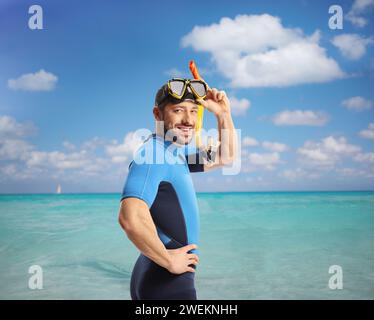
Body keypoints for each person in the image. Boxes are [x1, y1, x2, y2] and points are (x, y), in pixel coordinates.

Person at [118, 78, 237, 300]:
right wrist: (169, 260)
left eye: (194, 111)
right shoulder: (152, 156)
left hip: (158, 275)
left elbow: (225, 157)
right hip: (167, 283)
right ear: (157, 114)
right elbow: (129, 219)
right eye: (178, 110)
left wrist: (223, 114)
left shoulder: (173, 153)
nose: (188, 120)